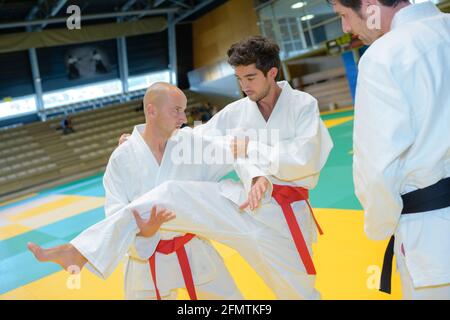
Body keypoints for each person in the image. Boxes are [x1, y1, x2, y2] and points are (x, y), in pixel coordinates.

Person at [29, 36, 333, 299]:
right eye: (238, 79)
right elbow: (197, 137)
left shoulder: (301, 105)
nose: (243, 87)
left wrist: (251, 151)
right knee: (171, 192)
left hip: (285, 213)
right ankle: (80, 251)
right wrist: (143, 139)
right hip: (245, 205)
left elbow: (304, 157)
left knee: (298, 293)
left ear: (272, 73)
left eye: (250, 78)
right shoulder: (236, 112)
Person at [30, 83, 242, 300]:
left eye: (184, 110)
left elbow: (232, 149)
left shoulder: (190, 144)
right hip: (146, 262)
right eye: (176, 110)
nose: (183, 118)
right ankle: (79, 251)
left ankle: (80, 251)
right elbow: (115, 212)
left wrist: (260, 167)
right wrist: (146, 233)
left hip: (194, 251)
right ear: (152, 110)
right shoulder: (123, 158)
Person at [330, 0, 450, 299]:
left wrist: (381, 225)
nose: (346, 28)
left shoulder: (384, 55)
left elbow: (377, 172)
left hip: (434, 238)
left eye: (344, 15)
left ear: (369, 6)